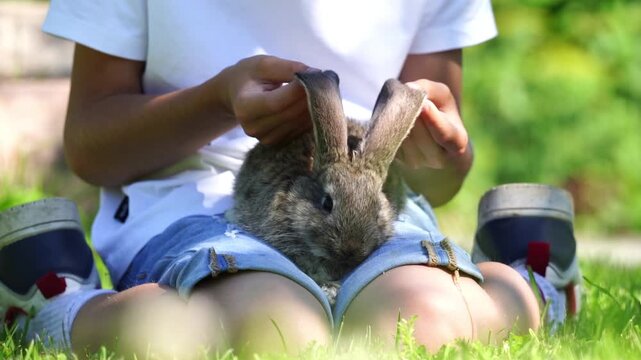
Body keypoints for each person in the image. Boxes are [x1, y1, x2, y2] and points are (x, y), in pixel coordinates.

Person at [0, 0, 581, 357]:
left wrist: (443, 151)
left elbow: (439, 184)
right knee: (273, 327)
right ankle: (57, 307)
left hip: (382, 212)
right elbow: (89, 147)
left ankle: (530, 286)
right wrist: (217, 103)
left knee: (421, 322)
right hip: (188, 201)